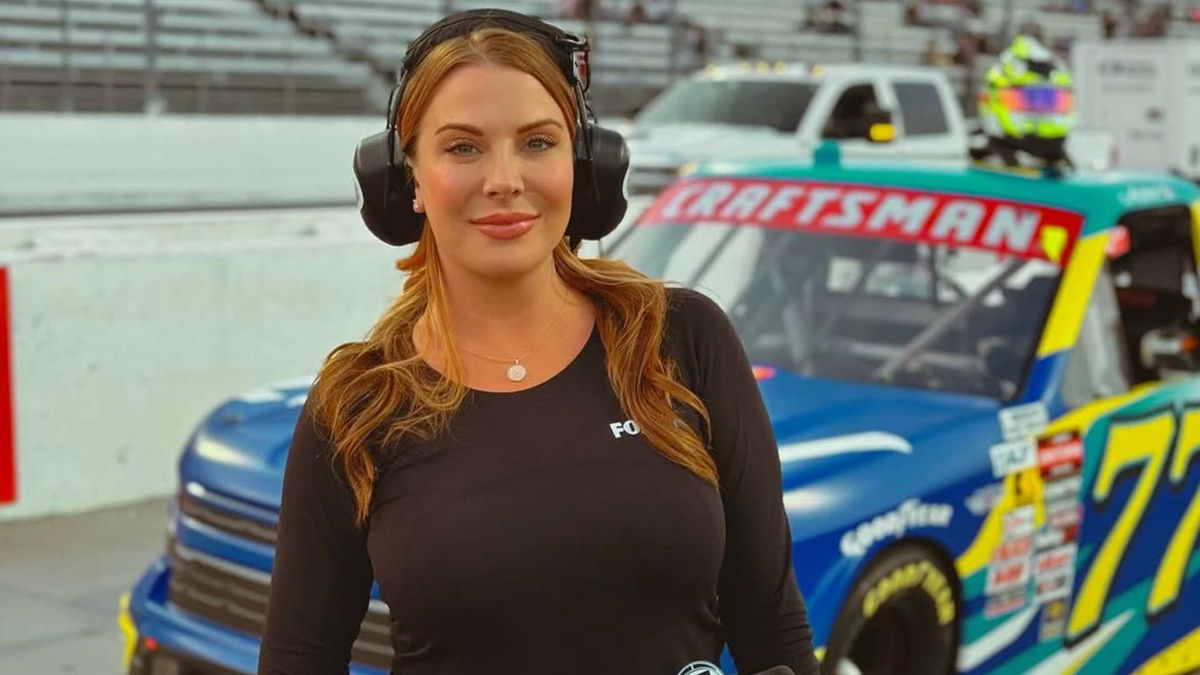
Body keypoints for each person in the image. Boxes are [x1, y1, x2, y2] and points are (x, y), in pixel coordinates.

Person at [257, 8, 820, 675]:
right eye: (462, 147)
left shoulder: (682, 337)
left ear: (583, 165)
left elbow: (772, 625)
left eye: (537, 142)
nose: (505, 179)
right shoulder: (359, 403)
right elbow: (298, 659)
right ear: (406, 179)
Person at [973, 33, 1077, 168]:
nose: (1040, 111)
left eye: (1049, 101)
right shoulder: (975, 153)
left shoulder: (1064, 162)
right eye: (1026, 101)